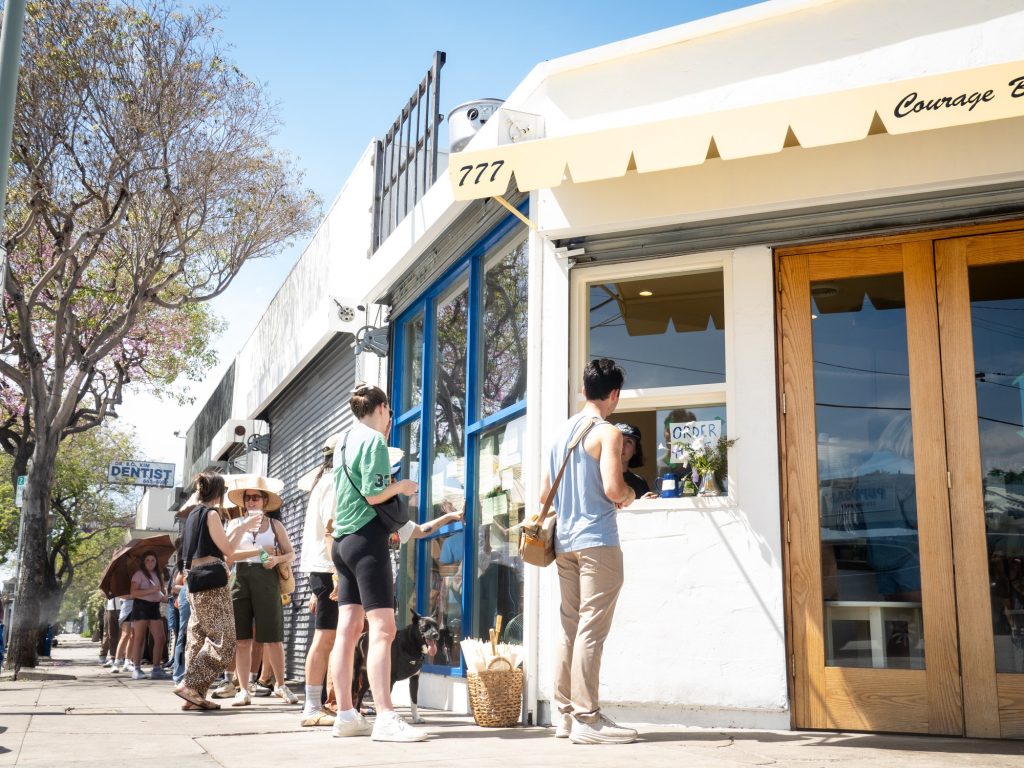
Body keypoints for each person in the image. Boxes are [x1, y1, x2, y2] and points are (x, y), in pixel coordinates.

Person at [328, 384, 464, 742]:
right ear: (383, 408)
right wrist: (401, 486)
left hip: (342, 543)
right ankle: (386, 716)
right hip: (367, 540)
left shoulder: (343, 440)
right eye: (389, 412)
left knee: (347, 630)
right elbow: (375, 493)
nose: (390, 418)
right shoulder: (373, 441)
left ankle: (345, 714)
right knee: (384, 631)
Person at [539, 358, 638, 745]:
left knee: (569, 626)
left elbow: (544, 495)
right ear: (613, 395)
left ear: (584, 391)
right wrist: (630, 494)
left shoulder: (559, 434)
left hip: (564, 544)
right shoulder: (607, 433)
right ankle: (588, 718)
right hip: (598, 541)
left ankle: (565, 715)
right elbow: (614, 490)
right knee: (591, 629)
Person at [174, 472, 262, 712]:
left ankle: (193, 696)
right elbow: (228, 552)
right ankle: (190, 685)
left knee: (198, 638)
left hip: (193, 581)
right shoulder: (211, 514)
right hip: (212, 580)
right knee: (224, 642)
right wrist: (243, 526)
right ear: (220, 492)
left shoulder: (194, 515)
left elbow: (222, 546)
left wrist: (239, 528)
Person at [225, 476, 297, 707]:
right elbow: (228, 555)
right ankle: (243, 689)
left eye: (256, 497)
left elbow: (291, 553)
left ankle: (280, 685)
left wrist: (276, 559)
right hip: (241, 578)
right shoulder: (235, 524)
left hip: (267, 579)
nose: (251, 502)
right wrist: (257, 549)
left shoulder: (276, 526)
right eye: (248, 498)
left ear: (265, 501)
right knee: (242, 639)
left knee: (273, 637)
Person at [298, 434, 342, 726]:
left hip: (325, 568)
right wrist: (338, 575)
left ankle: (320, 704)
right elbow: (330, 532)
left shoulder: (323, 481)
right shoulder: (332, 484)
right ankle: (312, 707)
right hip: (329, 568)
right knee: (325, 637)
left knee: (331, 637)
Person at [129, 551, 168, 680]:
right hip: (141, 607)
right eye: (148, 560)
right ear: (143, 562)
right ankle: (136, 668)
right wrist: (151, 590)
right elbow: (133, 593)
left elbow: (159, 593)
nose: (150, 563)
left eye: (153, 560)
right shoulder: (139, 574)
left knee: (160, 638)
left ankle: (156, 668)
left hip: (154, 607)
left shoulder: (157, 575)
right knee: (139, 638)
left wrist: (165, 598)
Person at [615, 423, 659, 500]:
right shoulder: (598, 477)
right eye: (619, 439)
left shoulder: (640, 482)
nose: (622, 445)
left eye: (628, 441)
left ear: (635, 449)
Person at [110, 597, 134, 673]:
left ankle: (127, 662)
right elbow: (121, 594)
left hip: (139, 606)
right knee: (125, 635)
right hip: (127, 606)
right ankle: (116, 663)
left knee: (133, 636)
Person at [98, 596, 121, 666]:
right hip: (110, 608)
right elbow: (102, 591)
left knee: (123, 634)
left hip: (123, 606)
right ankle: (104, 655)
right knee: (108, 634)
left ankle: (121, 656)